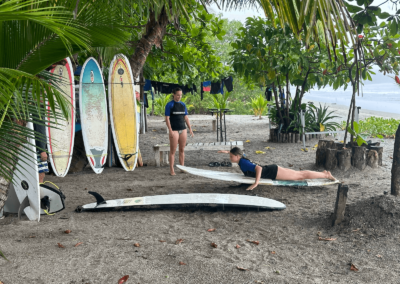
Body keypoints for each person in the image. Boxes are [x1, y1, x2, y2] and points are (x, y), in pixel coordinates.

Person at [218, 147, 336, 191]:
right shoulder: (241, 159)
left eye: (230, 156)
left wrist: (256, 183)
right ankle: (323, 173)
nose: (229, 157)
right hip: (273, 169)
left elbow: (258, 168)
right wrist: (227, 151)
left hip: (273, 172)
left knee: (300, 176)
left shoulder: (243, 162)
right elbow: (237, 154)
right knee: (299, 173)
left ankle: (326, 175)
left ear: (237, 156)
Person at [165, 87, 194, 175]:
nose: (179, 97)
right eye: (178, 95)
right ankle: (172, 170)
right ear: (173, 94)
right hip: (174, 129)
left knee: (182, 149)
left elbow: (186, 117)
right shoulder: (169, 105)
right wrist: (170, 130)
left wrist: (190, 129)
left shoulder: (183, 105)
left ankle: (182, 168)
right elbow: (167, 118)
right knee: (173, 150)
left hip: (183, 128)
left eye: (180, 95)